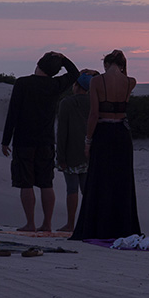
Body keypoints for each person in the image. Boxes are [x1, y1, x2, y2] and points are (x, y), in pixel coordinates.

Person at [1, 52, 80, 232]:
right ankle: (47, 224)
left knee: (26, 183)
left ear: (39, 64)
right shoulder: (55, 85)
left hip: (23, 140)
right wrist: (64, 59)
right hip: (45, 141)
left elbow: (13, 113)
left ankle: (30, 223)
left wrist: (6, 140)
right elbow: (75, 74)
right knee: (46, 183)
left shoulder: (22, 83)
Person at [70, 49, 141, 241]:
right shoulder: (130, 82)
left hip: (103, 133)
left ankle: (98, 226)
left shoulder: (97, 81)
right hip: (123, 134)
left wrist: (88, 140)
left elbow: (94, 114)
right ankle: (121, 226)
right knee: (121, 181)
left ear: (106, 64)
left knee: (100, 180)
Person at [55, 70, 98, 232]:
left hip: (71, 153)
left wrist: (61, 157)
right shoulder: (95, 102)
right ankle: (88, 223)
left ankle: (71, 224)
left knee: (71, 189)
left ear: (76, 85)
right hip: (89, 153)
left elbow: (62, 132)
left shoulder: (66, 103)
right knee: (87, 191)